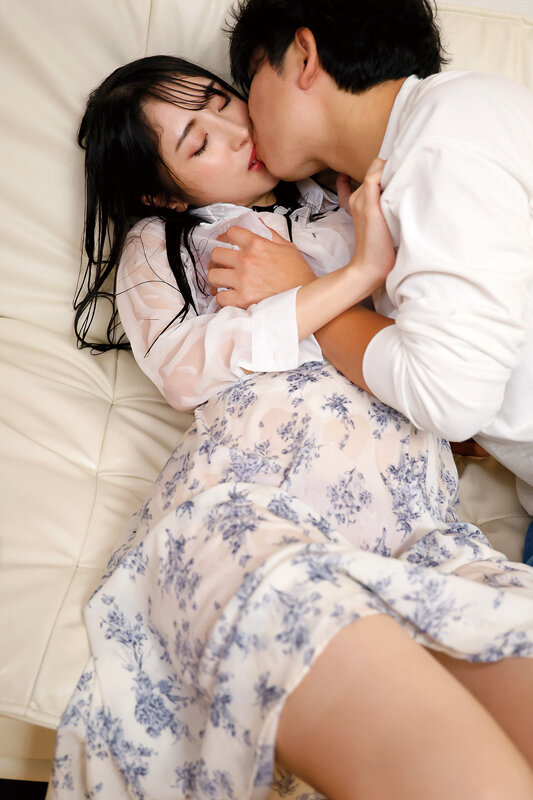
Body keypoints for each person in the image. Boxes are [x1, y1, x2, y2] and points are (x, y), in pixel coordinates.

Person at [48, 55, 533, 800]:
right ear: (161, 191)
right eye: (197, 143)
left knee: (507, 620)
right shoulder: (166, 243)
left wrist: (353, 262)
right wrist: (348, 279)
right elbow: (185, 368)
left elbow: (434, 339)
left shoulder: (344, 196)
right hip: (259, 501)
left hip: (413, 523)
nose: (232, 131)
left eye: (222, 103)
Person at [221, 0, 533, 525]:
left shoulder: (447, 133)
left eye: (250, 82)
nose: (244, 116)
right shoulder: (419, 154)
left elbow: (449, 397)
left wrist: (306, 298)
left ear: (303, 57)